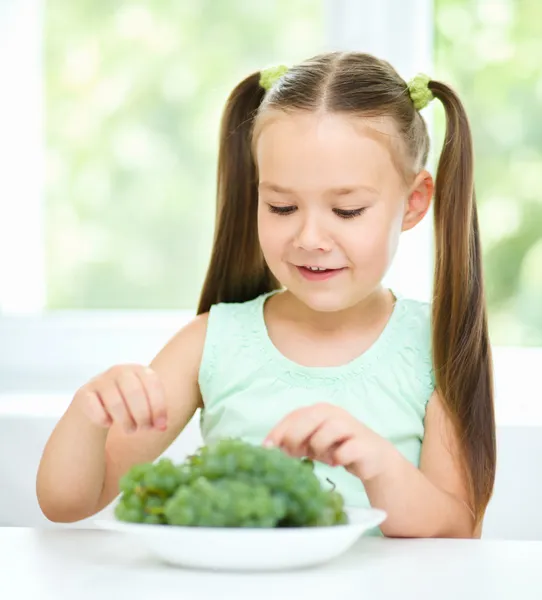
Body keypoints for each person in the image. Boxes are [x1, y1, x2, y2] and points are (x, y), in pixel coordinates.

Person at [37, 51, 496, 538]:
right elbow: (67, 503)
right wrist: (89, 413)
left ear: (414, 202)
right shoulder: (213, 340)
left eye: (346, 210)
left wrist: (378, 463)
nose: (309, 237)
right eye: (281, 206)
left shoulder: (436, 345)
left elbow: (456, 532)